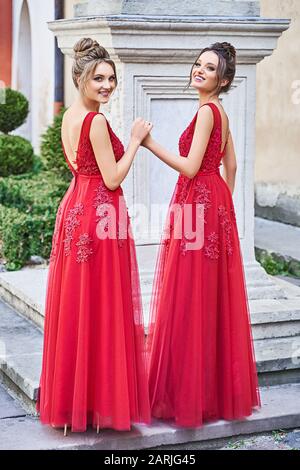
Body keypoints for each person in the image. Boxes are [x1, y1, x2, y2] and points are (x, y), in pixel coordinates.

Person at [37, 38, 152, 434]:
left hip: (75, 208)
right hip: (99, 215)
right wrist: (135, 141)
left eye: (111, 78)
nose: (107, 85)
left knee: (78, 307)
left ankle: (76, 404)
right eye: (98, 78)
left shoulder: (70, 115)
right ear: (81, 79)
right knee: (100, 306)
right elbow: (113, 176)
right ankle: (98, 404)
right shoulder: (96, 120)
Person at [144, 42, 261, 427]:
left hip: (197, 203)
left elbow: (191, 167)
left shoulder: (209, 111)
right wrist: (221, 206)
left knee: (190, 295)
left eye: (208, 68)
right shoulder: (218, 112)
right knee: (205, 296)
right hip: (210, 205)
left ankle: (190, 396)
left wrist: (148, 143)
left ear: (222, 80)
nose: (199, 70)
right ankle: (209, 392)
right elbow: (232, 165)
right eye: (198, 64)